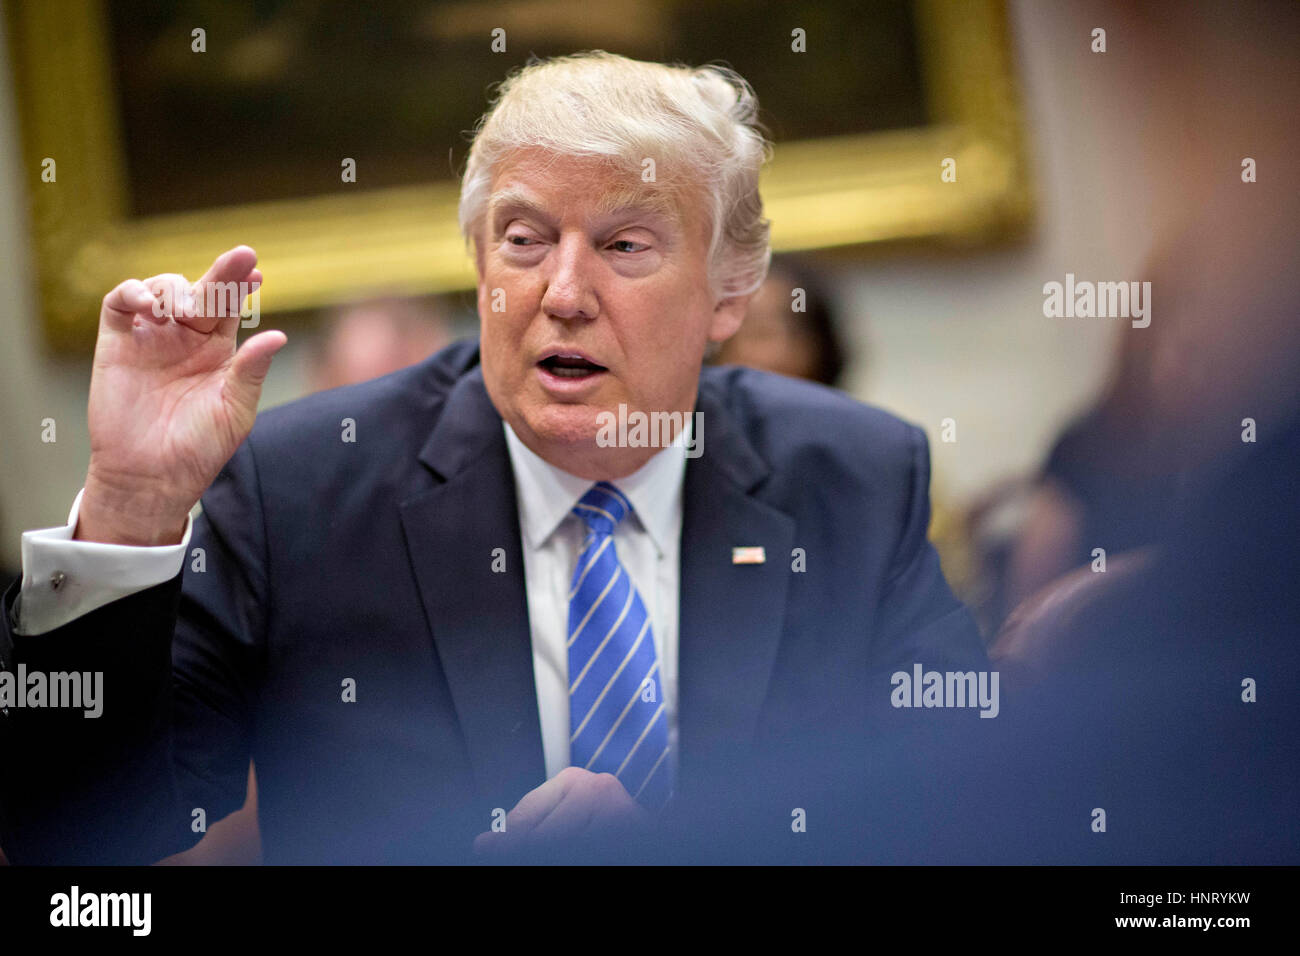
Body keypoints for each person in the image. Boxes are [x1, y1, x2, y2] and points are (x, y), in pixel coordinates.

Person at [0, 51, 985, 864]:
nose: (562, 290)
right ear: (478, 266)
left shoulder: (848, 476)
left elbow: (972, 817)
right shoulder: (301, 488)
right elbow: (77, 850)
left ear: (728, 294)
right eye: (523, 238)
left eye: (625, 244)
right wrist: (129, 507)